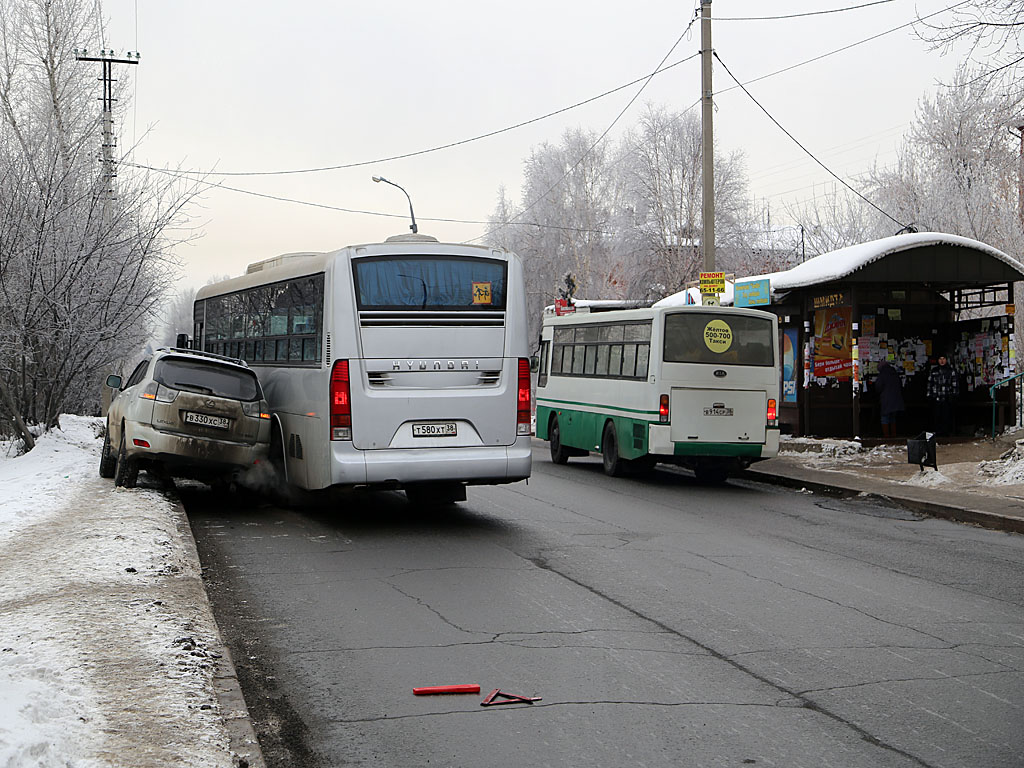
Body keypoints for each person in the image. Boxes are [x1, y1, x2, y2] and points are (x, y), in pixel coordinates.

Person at [926, 354, 959, 437]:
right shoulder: (934, 371)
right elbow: (930, 384)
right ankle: (938, 432)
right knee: (936, 417)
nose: (942, 361)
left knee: (946, 416)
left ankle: (945, 433)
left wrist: (954, 395)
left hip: (947, 398)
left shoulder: (951, 371)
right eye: (940, 359)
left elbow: (954, 384)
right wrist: (929, 396)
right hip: (936, 398)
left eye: (943, 358)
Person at [873, 361, 905, 438]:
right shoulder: (895, 374)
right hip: (896, 399)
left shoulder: (882, 375)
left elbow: (878, 387)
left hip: (886, 399)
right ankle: (893, 435)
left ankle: (887, 436)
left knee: (885, 418)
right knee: (893, 418)